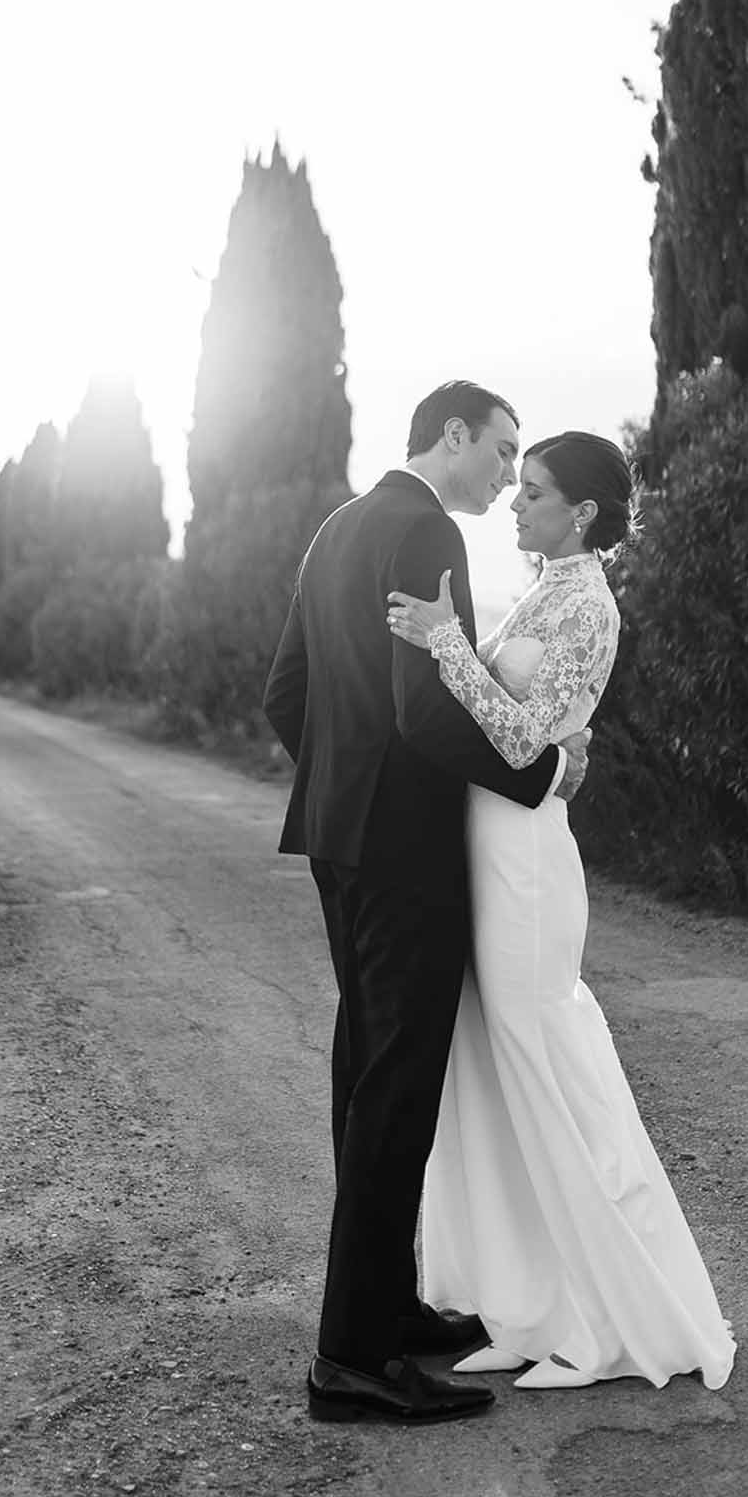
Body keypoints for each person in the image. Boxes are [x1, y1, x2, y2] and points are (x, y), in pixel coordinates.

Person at [263, 381, 592, 1425]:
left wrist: (337, 784)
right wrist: (538, 776)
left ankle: (388, 1308)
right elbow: (422, 709)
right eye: (498, 450)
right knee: (395, 1089)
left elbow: (286, 693)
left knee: (366, 1070)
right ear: (450, 435)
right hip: (404, 853)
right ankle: (351, 1360)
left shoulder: (338, 528)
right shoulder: (422, 534)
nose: (505, 473)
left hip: (339, 841)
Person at [386, 430, 736, 1392]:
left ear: (582, 512)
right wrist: (455, 645)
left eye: (532, 491)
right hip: (484, 844)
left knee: (543, 1064)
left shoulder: (592, 607)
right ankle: (526, 1307)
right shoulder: (543, 591)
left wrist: (448, 643)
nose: (514, 502)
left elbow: (522, 741)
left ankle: (600, 1323)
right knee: (492, 1070)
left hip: (529, 867)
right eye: (517, 486)